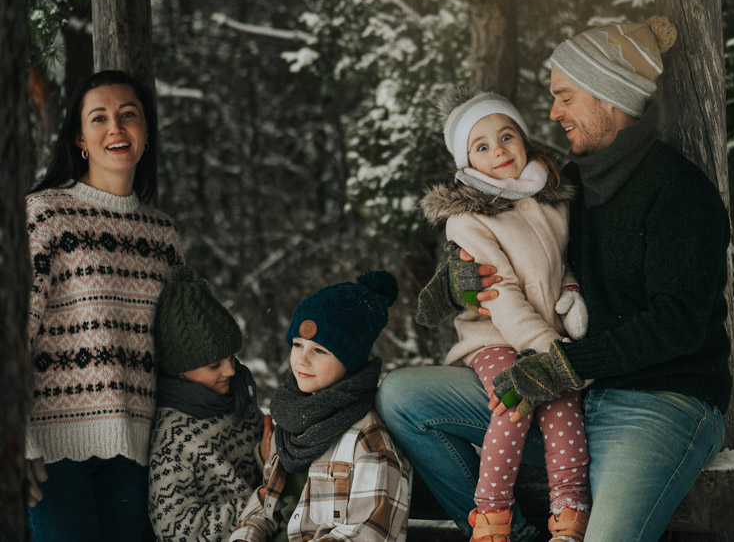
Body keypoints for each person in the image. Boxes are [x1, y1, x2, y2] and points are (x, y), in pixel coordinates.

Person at [377, 16, 731, 542]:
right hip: (567, 392)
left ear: (606, 97)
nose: (552, 112)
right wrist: (460, 282)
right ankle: (509, 533)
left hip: (658, 404)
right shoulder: (566, 184)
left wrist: (564, 366)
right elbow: (519, 258)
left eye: (565, 96)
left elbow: (677, 324)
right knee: (403, 397)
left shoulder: (680, 193)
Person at [415, 88, 591, 542]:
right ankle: (492, 516)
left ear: (524, 138)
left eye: (506, 136)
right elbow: (500, 294)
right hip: (494, 337)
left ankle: (569, 511)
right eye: (482, 146)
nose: (499, 151)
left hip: (544, 333)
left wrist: (569, 292)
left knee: (563, 401)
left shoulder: (552, 200)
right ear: (467, 163)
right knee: (516, 399)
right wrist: (548, 349)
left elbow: (561, 261)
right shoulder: (469, 219)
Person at [24, 69, 184, 541]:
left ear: (146, 133)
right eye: (99, 118)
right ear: (80, 139)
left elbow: (177, 348)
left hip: (134, 450)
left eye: (128, 114)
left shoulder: (163, 236)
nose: (115, 127)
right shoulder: (44, 212)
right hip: (49, 449)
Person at [230, 270, 410, 542]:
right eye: (297, 344)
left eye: (319, 350)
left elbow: (368, 533)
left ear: (350, 360)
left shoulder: (368, 441)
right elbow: (265, 510)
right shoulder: (290, 421)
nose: (302, 360)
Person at [147, 265, 266, 541]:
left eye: (232, 359)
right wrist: (256, 504)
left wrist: (263, 456)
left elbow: (263, 477)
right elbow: (175, 529)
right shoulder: (173, 438)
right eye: (215, 365)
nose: (231, 371)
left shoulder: (239, 401)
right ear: (180, 370)